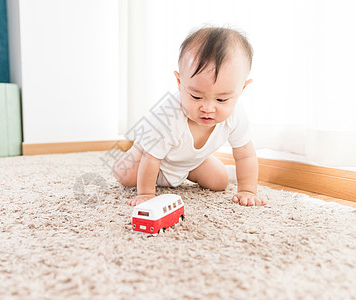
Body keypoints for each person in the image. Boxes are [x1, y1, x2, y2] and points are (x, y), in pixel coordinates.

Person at [113, 26, 266, 207]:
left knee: (220, 182)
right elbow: (152, 158)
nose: (208, 108)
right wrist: (146, 194)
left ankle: (193, 162)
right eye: (196, 97)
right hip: (152, 157)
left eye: (222, 99)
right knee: (124, 175)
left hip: (189, 163)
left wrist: (247, 190)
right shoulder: (169, 116)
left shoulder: (236, 116)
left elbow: (245, 155)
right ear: (180, 82)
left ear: (242, 89)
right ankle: (137, 148)